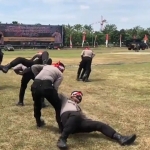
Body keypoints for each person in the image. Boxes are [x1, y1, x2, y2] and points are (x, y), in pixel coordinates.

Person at [57, 91, 136, 149]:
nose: (79, 98)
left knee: (99, 124)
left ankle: (120, 138)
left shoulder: (78, 109)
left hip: (77, 123)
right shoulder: (65, 100)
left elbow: (86, 119)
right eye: (77, 96)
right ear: (71, 96)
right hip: (67, 118)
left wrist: (103, 125)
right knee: (76, 115)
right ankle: (62, 139)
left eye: (80, 97)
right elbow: (54, 93)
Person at [30, 61, 65, 131]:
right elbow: (55, 87)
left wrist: (37, 77)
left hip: (35, 85)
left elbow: (33, 67)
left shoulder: (46, 66)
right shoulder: (60, 74)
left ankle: (38, 122)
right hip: (47, 86)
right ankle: (61, 127)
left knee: (37, 105)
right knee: (58, 107)